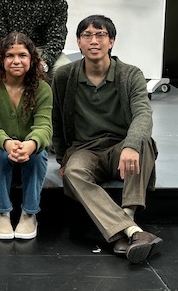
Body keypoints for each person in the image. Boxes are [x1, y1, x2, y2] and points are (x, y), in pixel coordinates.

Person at [52, 15, 161, 264]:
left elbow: (143, 113)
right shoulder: (64, 76)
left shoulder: (130, 74)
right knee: (73, 172)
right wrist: (62, 158)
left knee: (142, 141)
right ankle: (133, 231)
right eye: (87, 35)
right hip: (85, 149)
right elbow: (57, 121)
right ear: (78, 42)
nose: (94, 41)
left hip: (120, 148)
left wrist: (131, 145)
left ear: (111, 41)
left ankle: (125, 218)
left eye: (100, 35)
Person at [0, 32, 52, 240]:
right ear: (1, 59)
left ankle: (29, 213)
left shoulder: (42, 88)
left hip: (28, 155)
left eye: (22, 55)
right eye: (10, 55)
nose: (16, 61)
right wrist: (7, 143)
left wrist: (31, 144)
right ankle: (2, 212)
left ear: (31, 59)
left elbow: (44, 127)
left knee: (39, 154)